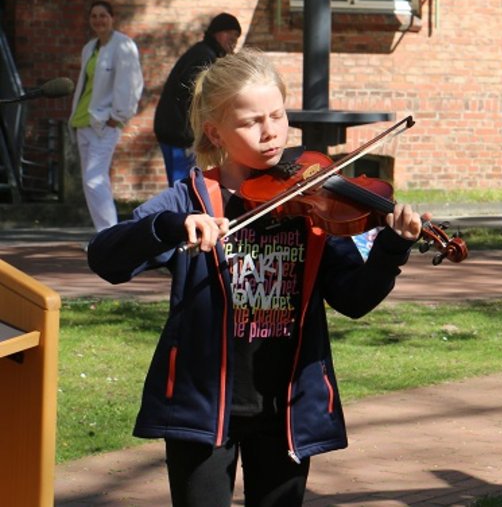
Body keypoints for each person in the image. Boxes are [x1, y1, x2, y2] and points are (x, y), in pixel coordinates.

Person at [86, 49, 424, 506]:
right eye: (250, 122)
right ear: (215, 131)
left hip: (284, 408)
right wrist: (170, 226)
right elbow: (105, 258)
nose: (270, 133)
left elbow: (354, 298)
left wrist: (391, 248)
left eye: (278, 116)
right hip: (203, 407)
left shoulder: (313, 200)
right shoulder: (190, 198)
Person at [69, 0, 144, 231]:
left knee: (95, 180)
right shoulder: (90, 48)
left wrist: (119, 116)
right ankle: (105, 234)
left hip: (106, 123)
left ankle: (110, 237)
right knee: (91, 182)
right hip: (83, 121)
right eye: (94, 16)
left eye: (103, 15)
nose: (98, 20)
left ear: (112, 18)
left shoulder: (124, 45)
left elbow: (131, 85)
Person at [154, 12, 242, 185]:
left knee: (181, 186)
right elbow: (196, 95)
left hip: (173, 131)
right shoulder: (204, 56)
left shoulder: (203, 52)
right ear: (216, 33)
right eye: (230, 34)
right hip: (179, 135)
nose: (234, 40)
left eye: (236, 37)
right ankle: (185, 213)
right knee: (184, 188)